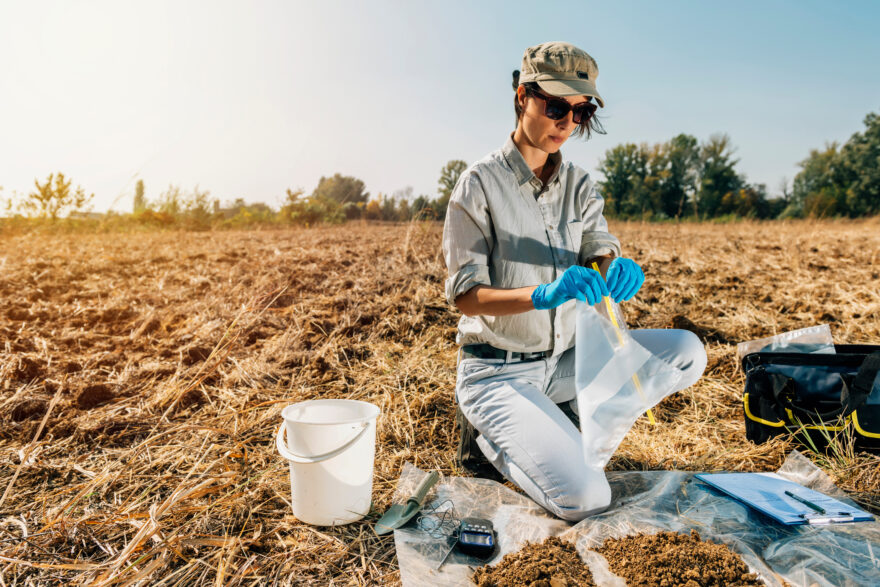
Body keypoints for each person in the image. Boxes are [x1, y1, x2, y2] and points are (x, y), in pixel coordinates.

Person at [442, 41, 708, 522]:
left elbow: (598, 248)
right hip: (498, 371)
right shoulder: (478, 184)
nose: (568, 122)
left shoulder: (581, 186)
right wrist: (543, 295)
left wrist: (614, 267)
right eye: (557, 106)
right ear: (523, 96)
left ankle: (571, 424)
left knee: (688, 351)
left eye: (580, 111)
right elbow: (466, 297)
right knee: (587, 499)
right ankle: (490, 442)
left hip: (564, 362)